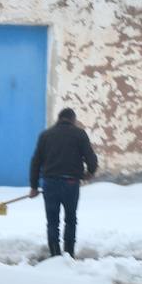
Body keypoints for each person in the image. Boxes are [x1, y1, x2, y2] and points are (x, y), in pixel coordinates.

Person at [29, 107, 98, 258]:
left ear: (59, 119)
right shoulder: (79, 134)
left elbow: (36, 162)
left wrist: (34, 187)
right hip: (71, 183)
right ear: (73, 119)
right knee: (70, 219)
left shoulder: (45, 135)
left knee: (52, 220)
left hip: (50, 183)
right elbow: (91, 158)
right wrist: (90, 173)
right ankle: (69, 253)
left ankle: (54, 253)